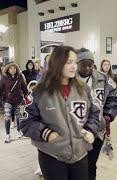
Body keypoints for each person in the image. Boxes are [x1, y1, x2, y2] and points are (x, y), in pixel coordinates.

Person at [20, 46, 101, 180]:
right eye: (69, 62)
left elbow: (94, 112)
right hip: (52, 156)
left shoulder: (84, 89)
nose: (74, 66)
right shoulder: (39, 91)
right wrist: (47, 133)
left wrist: (91, 130)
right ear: (57, 63)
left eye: (75, 62)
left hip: (80, 154)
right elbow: (25, 119)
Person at [77, 49, 117, 180]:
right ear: (77, 64)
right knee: (78, 164)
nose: (88, 67)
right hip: (77, 131)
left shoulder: (103, 78)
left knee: (91, 164)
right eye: (84, 64)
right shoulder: (70, 78)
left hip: (98, 130)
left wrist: (108, 115)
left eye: (90, 64)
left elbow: (114, 95)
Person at [0, 62, 28, 143]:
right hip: (8, 100)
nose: (13, 70)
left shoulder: (19, 77)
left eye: (14, 68)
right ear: (8, 69)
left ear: (16, 69)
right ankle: (7, 135)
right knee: (7, 117)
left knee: (19, 117)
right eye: (11, 68)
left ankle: (19, 131)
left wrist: (27, 98)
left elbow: (24, 88)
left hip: (19, 100)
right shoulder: (4, 77)